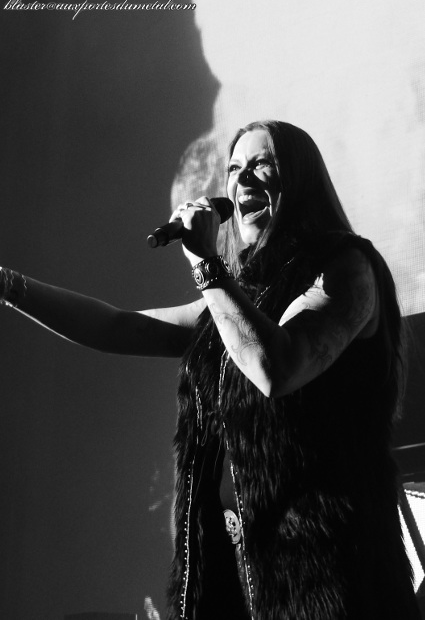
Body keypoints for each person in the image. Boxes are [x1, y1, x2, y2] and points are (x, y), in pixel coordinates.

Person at [0, 120, 420, 620]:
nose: (244, 179)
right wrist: (8, 285)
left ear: (301, 180)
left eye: (262, 165)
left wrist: (205, 264)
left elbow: (276, 368)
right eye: (234, 168)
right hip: (231, 583)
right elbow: (118, 326)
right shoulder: (235, 303)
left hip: (327, 579)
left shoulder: (347, 268)